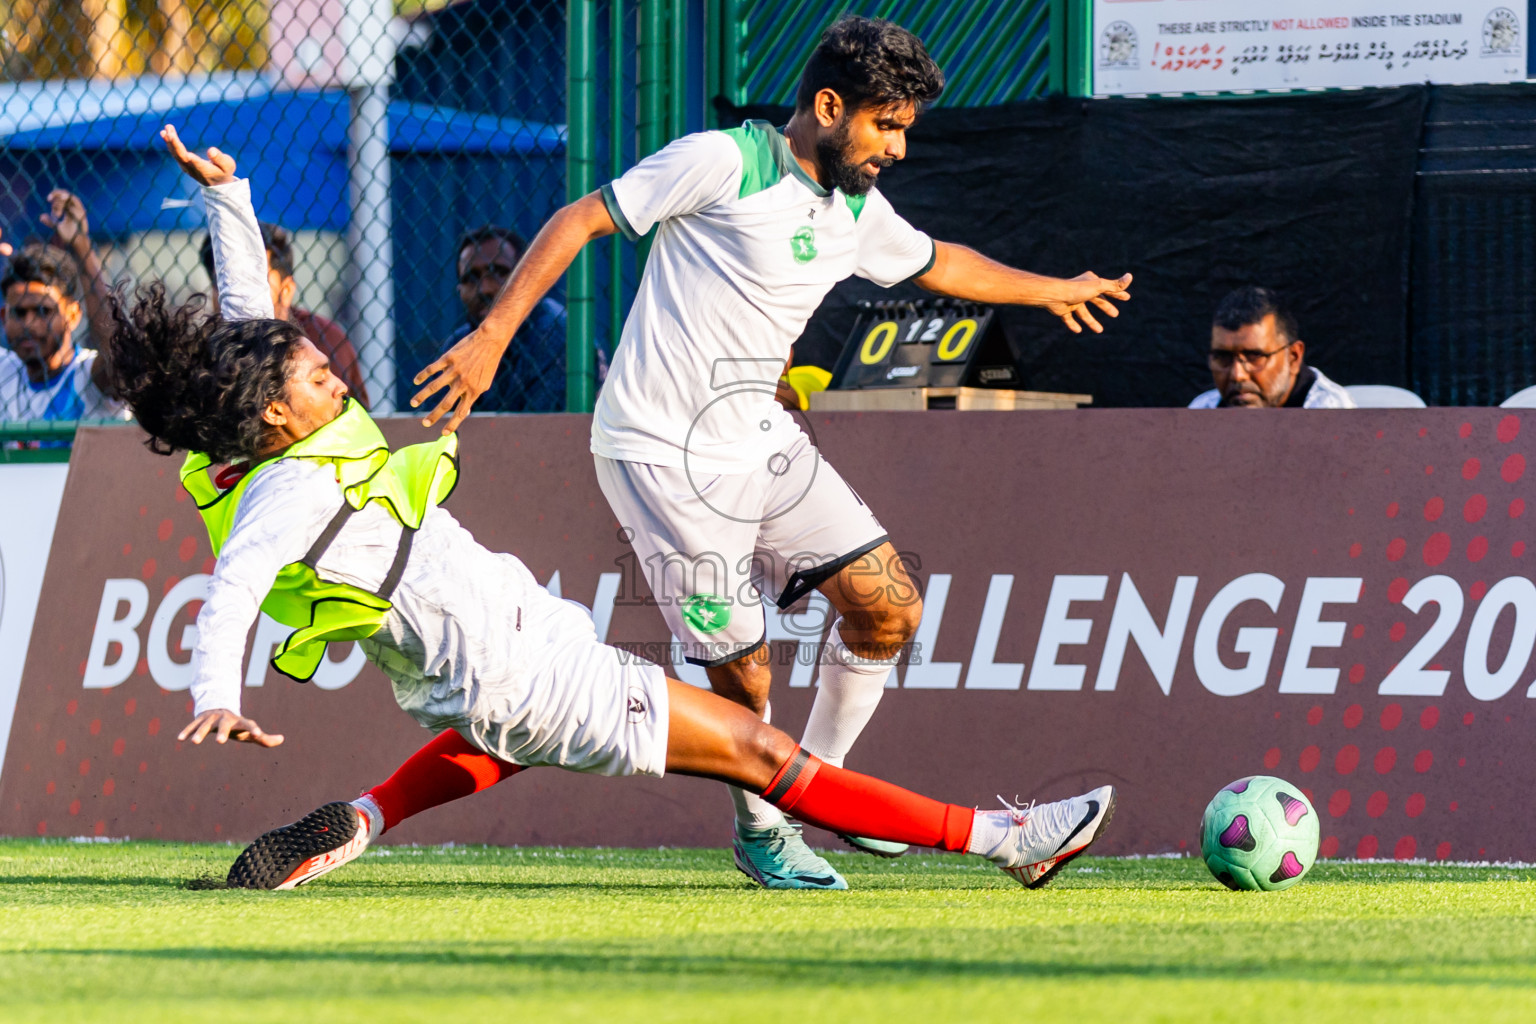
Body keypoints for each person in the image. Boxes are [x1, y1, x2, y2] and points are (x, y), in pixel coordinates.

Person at [122, 125, 1116, 893]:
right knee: (766, 755)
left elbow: (251, 324)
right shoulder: (288, 488)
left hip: (502, 662)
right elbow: (237, 583)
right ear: (272, 413)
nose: (335, 377)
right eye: (315, 377)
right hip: (525, 671)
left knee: (504, 736)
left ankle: (363, 819)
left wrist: (228, 200)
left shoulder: (265, 436)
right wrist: (217, 691)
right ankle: (1005, 840)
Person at [408, 16, 1133, 889]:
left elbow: (942, 263)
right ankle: (762, 830)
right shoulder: (720, 160)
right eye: (887, 126)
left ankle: (820, 794)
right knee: (747, 682)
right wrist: (491, 338)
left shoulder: (856, 208)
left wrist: (1052, 291)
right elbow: (579, 220)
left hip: (758, 436)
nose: (899, 148)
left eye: (906, 128)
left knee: (888, 606)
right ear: (830, 106)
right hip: (661, 457)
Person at [199, 221, 371, 408]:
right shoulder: (202, 351)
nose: (238, 294)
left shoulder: (321, 342)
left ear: (286, 290)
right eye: (223, 282)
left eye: (255, 282)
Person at [445, 225, 605, 411]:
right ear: (459, 290)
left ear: (524, 280)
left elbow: (541, 431)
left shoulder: (556, 335)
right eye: (471, 278)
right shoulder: (458, 343)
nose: (485, 289)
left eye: (499, 272)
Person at [0, 190, 128, 422]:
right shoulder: (4, 371)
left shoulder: (87, 374)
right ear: (3, 316)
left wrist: (81, 246)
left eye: (43, 311)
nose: (29, 324)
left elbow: (118, 360)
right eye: (19, 312)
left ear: (72, 314)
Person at [1189, 286, 1354, 409]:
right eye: (1223, 357)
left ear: (1293, 357)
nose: (1237, 375)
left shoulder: (1333, 418)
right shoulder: (1202, 410)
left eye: (1254, 356)